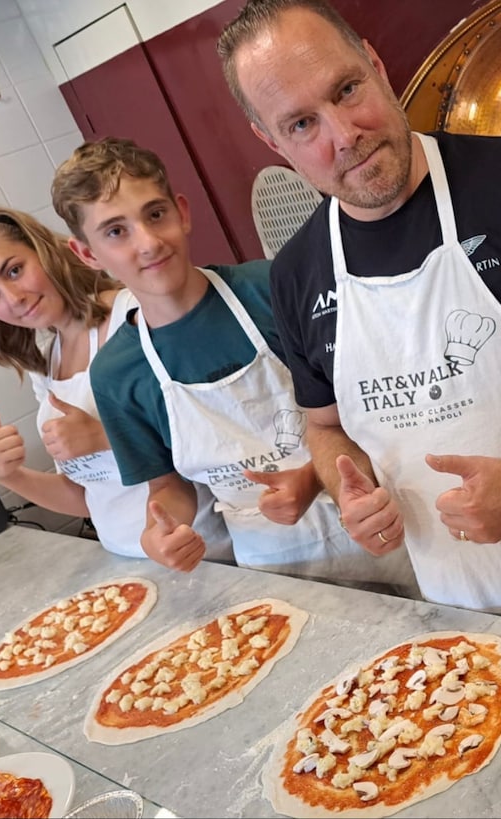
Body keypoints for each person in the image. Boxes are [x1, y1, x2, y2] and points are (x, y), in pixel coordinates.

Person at [217, 0, 501, 627]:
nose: (343, 135)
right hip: (457, 625)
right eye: (301, 125)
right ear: (270, 140)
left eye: (347, 89)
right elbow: (324, 425)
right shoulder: (297, 274)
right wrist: (348, 489)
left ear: (376, 65)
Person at [50, 137, 417, 591]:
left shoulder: (272, 289)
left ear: (182, 212)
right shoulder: (117, 374)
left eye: (155, 214)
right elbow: (168, 487)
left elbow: (370, 406)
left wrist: (314, 477)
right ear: (87, 254)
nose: (147, 242)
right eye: (115, 231)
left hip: (372, 519)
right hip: (268, 564)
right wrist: (158, 532)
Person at [0, 206, 231, 561]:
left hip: (204, 552)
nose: (12, 298)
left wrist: (104, 436)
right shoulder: (46, 364)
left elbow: (219, 427)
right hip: (127, 563)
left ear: (43, 251)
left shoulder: (133, 314)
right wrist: (10, 476)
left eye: (15, 270)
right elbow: (90, 497)